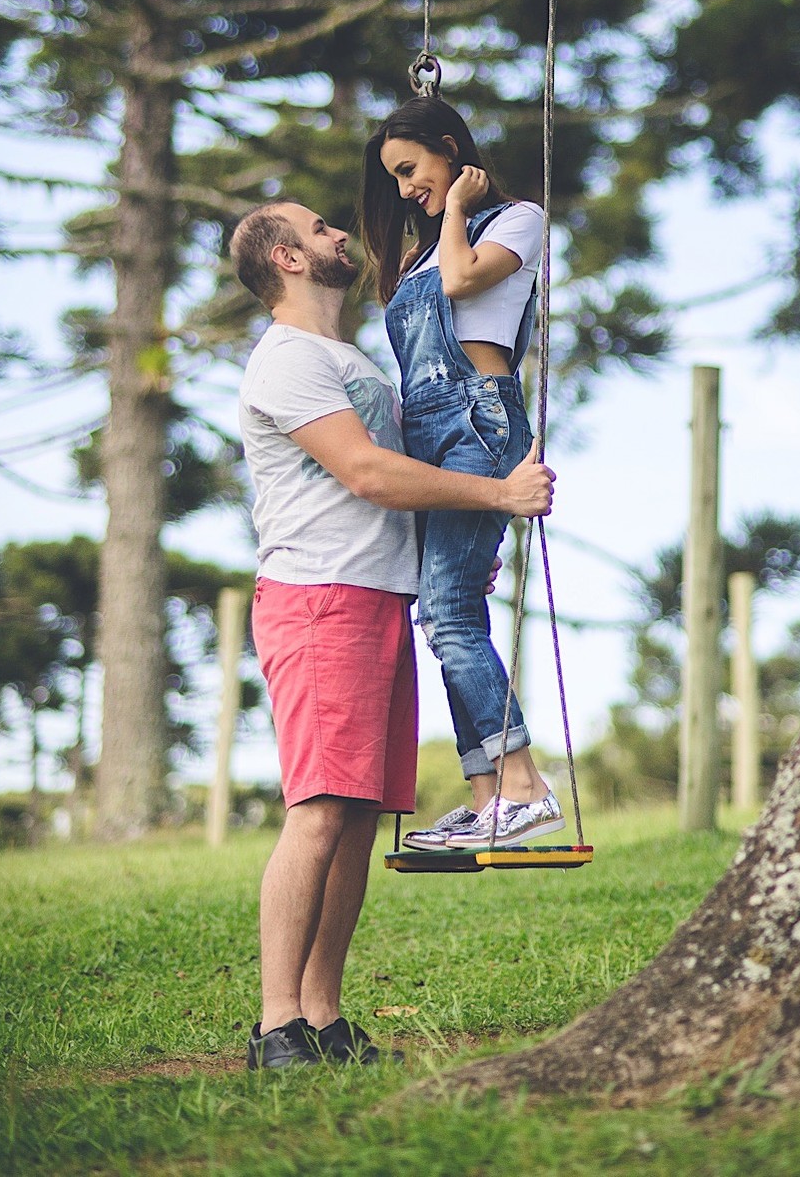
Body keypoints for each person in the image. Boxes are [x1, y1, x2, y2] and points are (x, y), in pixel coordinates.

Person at [229, 199, 554, 1070]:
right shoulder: (288, 359)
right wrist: (499, 495)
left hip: (378, 597)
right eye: (318, 229)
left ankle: (323, 1016)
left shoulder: (344, 356)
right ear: (286, 259)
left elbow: (407, 476)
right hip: (319, 597)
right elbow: (369, 473)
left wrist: (463, 545)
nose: (339, 233)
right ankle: (275, 1026)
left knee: (359, 819)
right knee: (318, 812)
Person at [359, 96, 562, 853]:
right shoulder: (414, 259)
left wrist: (457, 210)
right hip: (427, 433)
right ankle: (487, 798)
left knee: (447, 611)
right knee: (444, 612)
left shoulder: (515, 220)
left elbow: (461, 282)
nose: (406, 188)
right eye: (395, 178)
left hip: (481, 417)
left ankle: (526, 789)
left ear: (451, 149)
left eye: (412, 168)